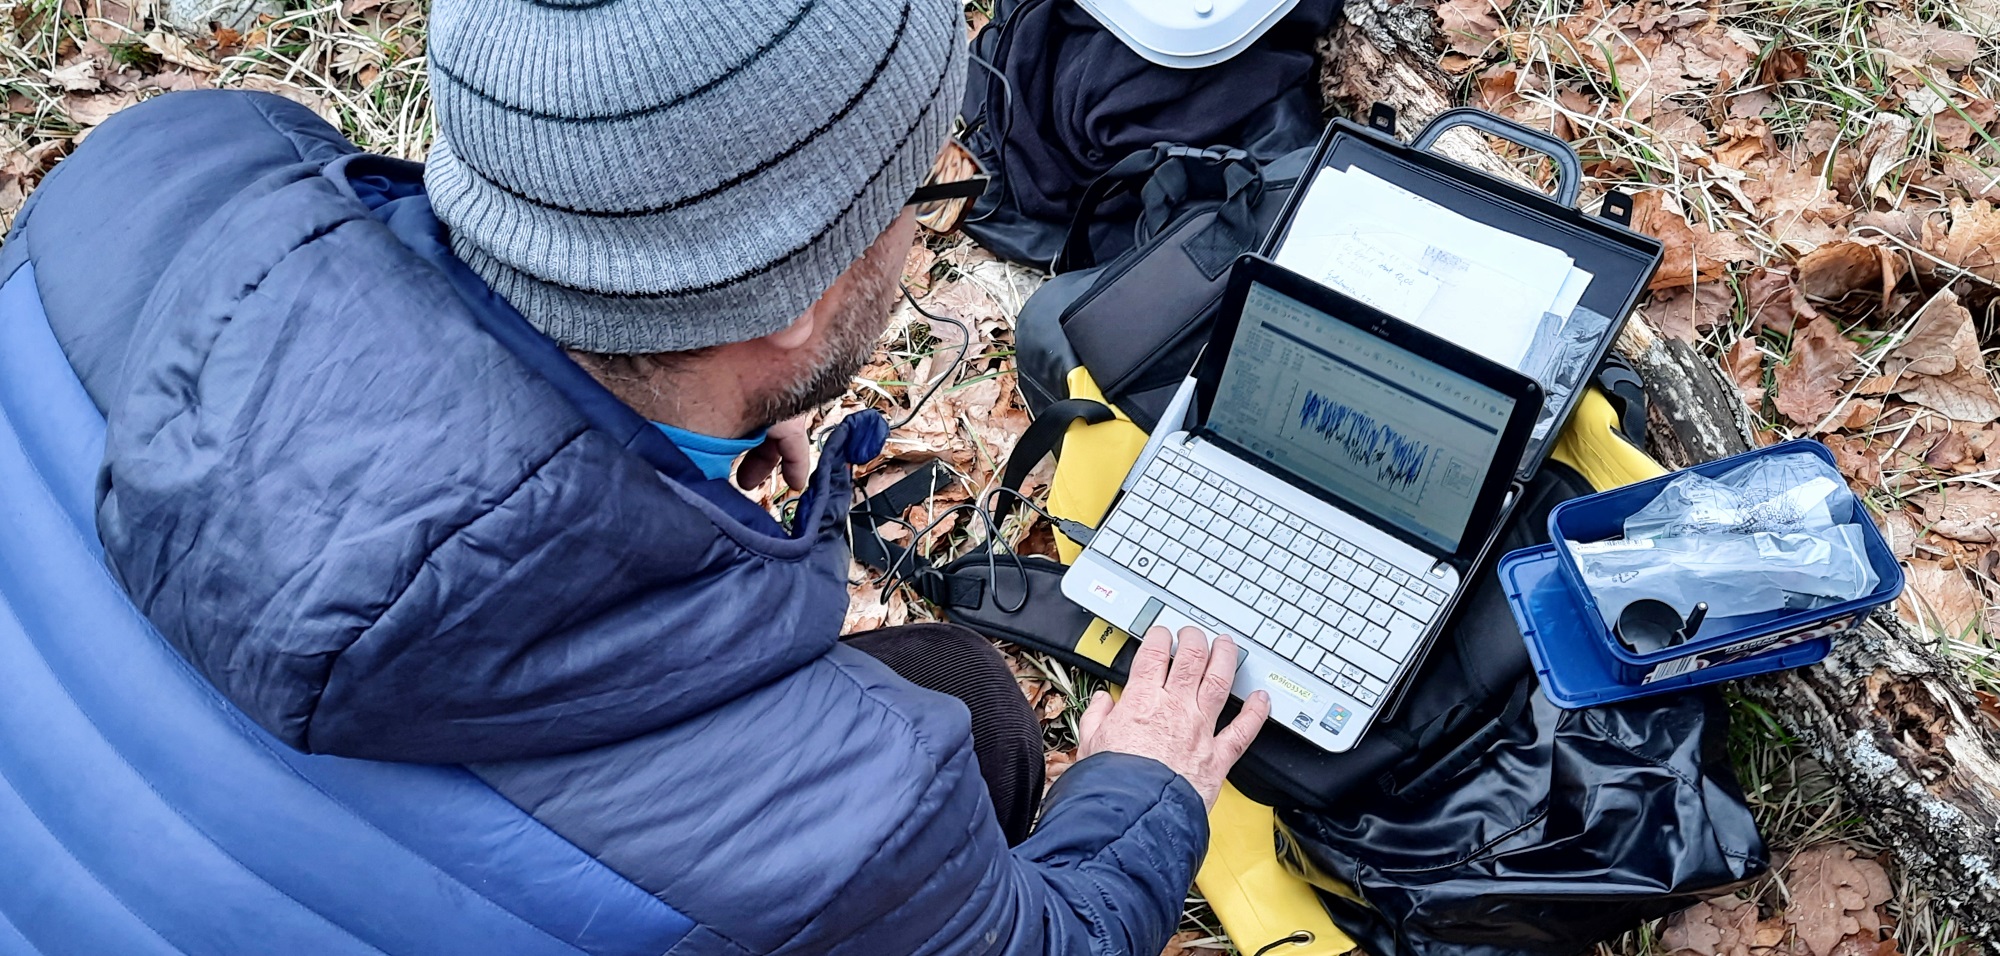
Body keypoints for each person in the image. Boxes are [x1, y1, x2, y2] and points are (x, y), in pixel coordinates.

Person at [0, 0, 1273, 952]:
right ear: (801, 297)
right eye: (911, 193)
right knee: (974, 711)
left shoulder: (146, 180)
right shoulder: (844, 811)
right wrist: (1147, 785)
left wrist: (678, 440)